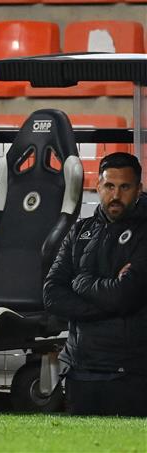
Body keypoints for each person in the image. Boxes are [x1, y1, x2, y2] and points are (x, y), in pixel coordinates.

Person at [43, 152, 146, 417]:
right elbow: (52, 294)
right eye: (109, 186)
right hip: (81, 368)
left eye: (125, 187)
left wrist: (82, 282)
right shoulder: (80, 231)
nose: (116, 195)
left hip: (130, 371)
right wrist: (108, 303)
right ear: (98, 186)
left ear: (139, 189)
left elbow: (126, 296)